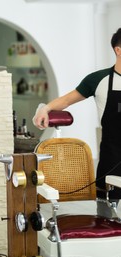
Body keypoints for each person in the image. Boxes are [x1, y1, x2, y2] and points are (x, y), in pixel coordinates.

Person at [33, 28, 121, 217]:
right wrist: (45, 108)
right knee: (107, 216)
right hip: (112, 157)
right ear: (118, 50)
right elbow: (66, 101)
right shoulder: (99, 80)